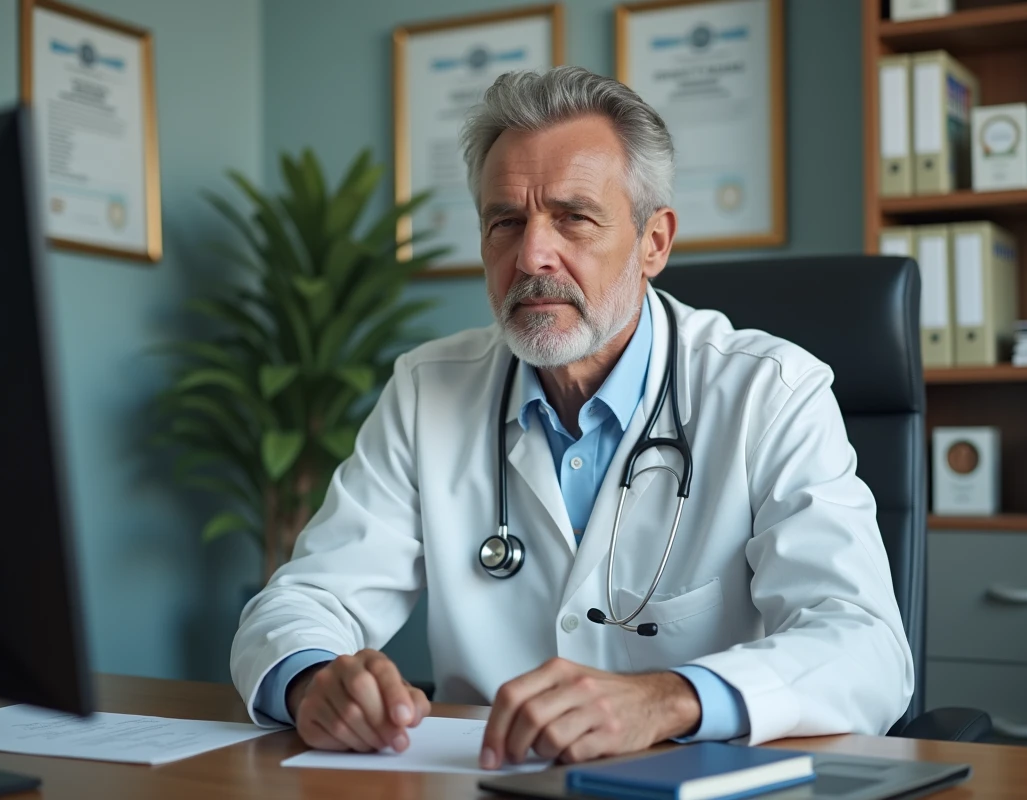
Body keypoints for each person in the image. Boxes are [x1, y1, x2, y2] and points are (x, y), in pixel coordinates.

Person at [231, 66, 912, 769]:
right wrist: (313, 680)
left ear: (654, 242)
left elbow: (865, 647)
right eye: (506, 222)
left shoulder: (770, 391)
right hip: (487, 777)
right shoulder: (427, 389)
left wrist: (668, 699)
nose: (532, 255)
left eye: (574, 217)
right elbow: (303, 600)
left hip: (700, 778)